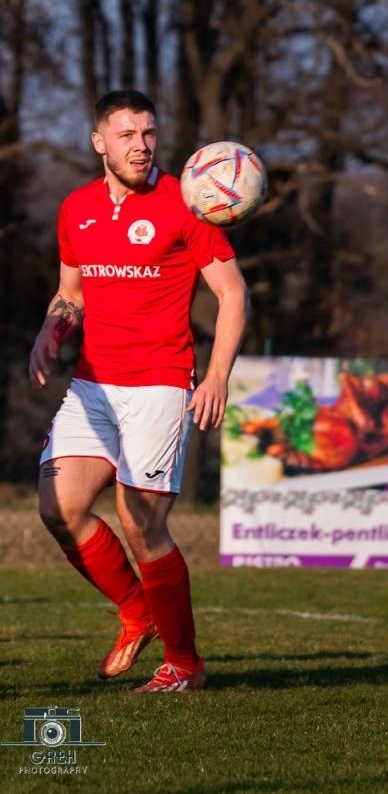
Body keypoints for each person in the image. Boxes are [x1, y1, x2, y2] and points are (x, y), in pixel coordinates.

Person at [28, 89, 249, 693]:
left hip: (158, 383)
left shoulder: (185, 204)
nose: (141, 145)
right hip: (93, 383)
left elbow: (232, 293)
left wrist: (218, 372)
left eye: (149, 133)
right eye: (127, 135)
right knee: (58, 507)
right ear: (100, 142)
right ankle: (136, 610)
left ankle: (186, 665)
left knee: (140, 520)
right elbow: (71, 290)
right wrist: (52, 328)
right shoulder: (76, 208)